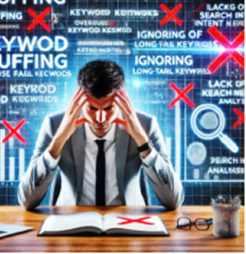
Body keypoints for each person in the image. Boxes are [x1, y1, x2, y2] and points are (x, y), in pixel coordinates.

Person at [18, 60, 185, 210]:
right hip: (70, 226)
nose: (99, 119)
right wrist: (58, 141)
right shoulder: (54, 125)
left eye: (108, 108)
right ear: (80, 100)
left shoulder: (146, 125)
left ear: (122, 100)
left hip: (129, 225)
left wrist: (142, 141)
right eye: (91, 108)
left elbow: (174, 200)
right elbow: (27, 200)